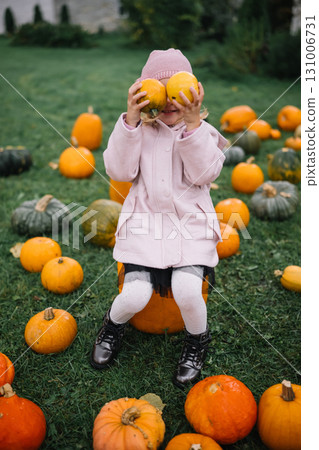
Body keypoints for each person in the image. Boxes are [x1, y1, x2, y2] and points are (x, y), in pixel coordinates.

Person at [90, 48, 227, 388]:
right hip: (145, 226)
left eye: (177, 94)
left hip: (189, 227)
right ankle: (111, 326)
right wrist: (131, 122)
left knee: (187, 290)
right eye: (160, 93)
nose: (168, 102)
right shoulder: (139, 131)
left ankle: (197, 341)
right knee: (135, 295)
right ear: (146, 93)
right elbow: (118, 169)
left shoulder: (203, 133)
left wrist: (193, 127)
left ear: (192, 94)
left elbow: (205, 174)